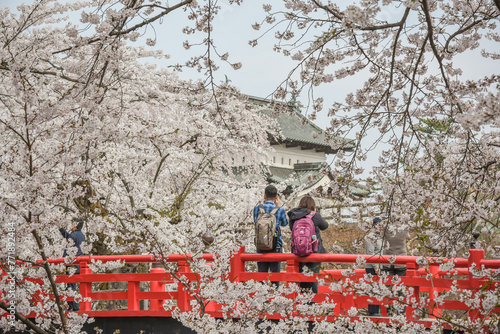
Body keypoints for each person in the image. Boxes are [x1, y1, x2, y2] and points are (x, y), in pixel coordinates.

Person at [287, 196, 328, 294]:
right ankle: (312, 304)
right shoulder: (314, 215)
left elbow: (291, 229)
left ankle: (302, 305)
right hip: (314, 252)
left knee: (301, 278)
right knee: (313, 278)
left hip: (298, 252)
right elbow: (325, 226)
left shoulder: (294, 215)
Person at [253, 185, 289, 288]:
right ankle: (274, 300)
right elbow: (285, 223)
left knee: (262, 277)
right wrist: (279, 206)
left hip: (261, 245)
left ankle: (262, 301)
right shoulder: (280, 210)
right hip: (275, 246)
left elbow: (255, 223)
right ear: (276, 196)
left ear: (264, 196)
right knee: (275, 278)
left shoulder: (257, 208)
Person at [59, 218, 86, 311]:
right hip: (78, 263)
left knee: (71, 286)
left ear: (75, 225)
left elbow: (69, 238)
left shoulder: (75, 234)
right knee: (71, 285)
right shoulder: (82, 235)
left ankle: (74, 307)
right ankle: (71, 305)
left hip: (72, 263)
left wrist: (61, 228)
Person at [365, 217, 383, 316]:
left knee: (379, 288)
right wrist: (376, 266)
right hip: (372, 266)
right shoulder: (370, 236)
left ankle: (377, 310)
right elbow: (370, 253)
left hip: (380, 266)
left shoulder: (381, 237)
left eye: (381, 225)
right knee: (373, 288)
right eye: (378, 225)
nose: (380, 227)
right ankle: (372, 311)